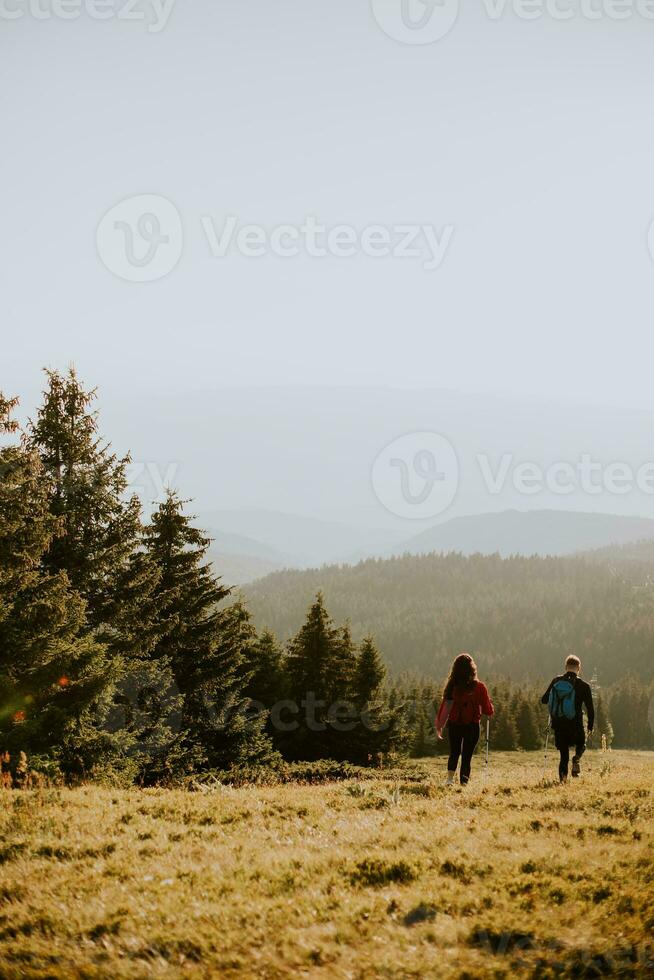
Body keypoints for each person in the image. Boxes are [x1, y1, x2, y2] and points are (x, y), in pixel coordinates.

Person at [436, 653, 494, 786]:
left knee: (454, 752)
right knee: (467, 756)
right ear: (472, 668)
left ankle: (450, 780)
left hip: (455, 724)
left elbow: (445, 708)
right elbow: (487, 710)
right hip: (472, 726)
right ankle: (463, 783)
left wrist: (439, 726)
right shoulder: (479, 687)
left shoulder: (452, 686)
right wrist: (491, 708)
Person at [541, 655, 594, 783]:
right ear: (579, 668)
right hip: (576, 725)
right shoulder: (584, 686)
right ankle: (576, 758)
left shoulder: (556, 681)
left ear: (566, 667)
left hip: (559, 724)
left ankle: (563, 782)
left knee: (564, 756)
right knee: (581, 745)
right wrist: (590, 726)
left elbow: (544, 700)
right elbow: (590, 709)